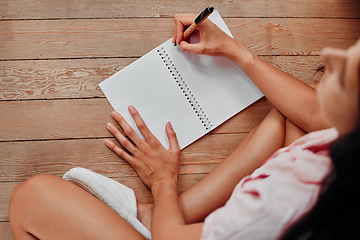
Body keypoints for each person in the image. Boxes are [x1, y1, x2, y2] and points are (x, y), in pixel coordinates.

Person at [8, 13, 360, 240]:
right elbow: (313, 111)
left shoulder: (277, 210)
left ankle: (165, 215)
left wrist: (163, 183)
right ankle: (170, 212)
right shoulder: (341, 144)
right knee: (292, 111)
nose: (332, 55)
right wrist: (237, 53)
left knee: (31, 199)